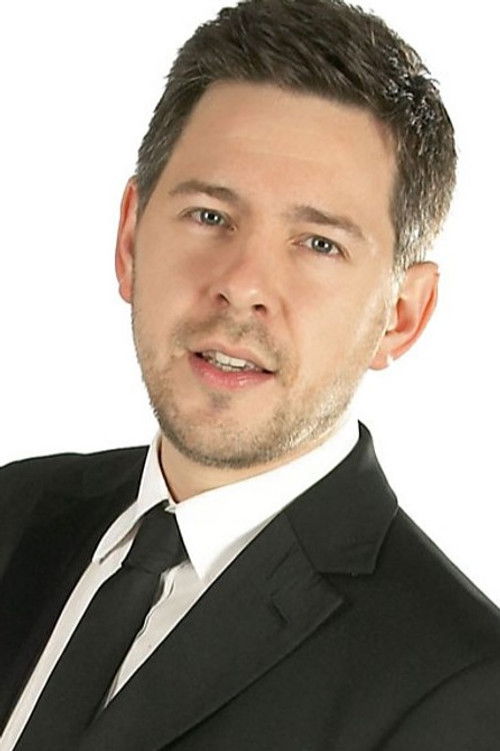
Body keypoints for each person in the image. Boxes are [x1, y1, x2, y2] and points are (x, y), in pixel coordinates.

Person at [1, 0, 499, 748]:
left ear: (400, 316)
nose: (242, 285)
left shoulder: (462, 689)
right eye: (210, 215)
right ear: (130, 240)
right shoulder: (15, 513)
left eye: (319, 243)